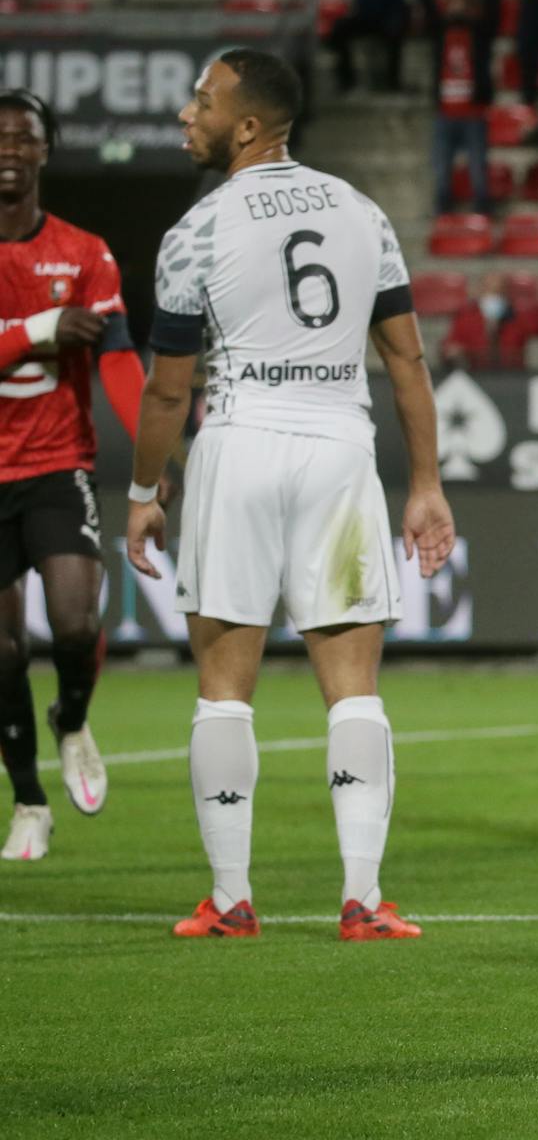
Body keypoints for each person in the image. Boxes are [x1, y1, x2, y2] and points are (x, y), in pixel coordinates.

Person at [125, 49, 456, 939]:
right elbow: (406, 361)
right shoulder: (361, 211)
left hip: (238, 443)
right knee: (353, 689)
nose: (187, 113)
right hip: (339, 449)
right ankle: (364, 898)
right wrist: (424, 484)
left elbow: (167, 389)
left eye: (202, 100)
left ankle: (231, 899)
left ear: (246, 126)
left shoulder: (197, 229)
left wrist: (142, 488)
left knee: (224, 686)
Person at [0, 91, 150, 863]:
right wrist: (36, 330)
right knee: (0, 655)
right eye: (0, 137)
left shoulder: (85, 253)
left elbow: (120, 358)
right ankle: (28, 802)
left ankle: (72, 718)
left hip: (58, 464)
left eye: (24, 138)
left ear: (45, 152)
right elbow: (37, 338)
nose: (9, 149)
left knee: (77, 625)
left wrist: (160, 454)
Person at [414, 0, 497, 214]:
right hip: (445, 113)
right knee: (441, 165)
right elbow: (429, 11)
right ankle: (443, 204)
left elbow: (493, 11)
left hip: (474, 112)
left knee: (477, 165)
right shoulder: (440, 33)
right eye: (453, 4)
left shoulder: (479, 34)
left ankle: (482, 205)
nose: (457, 9)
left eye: (462, 4)